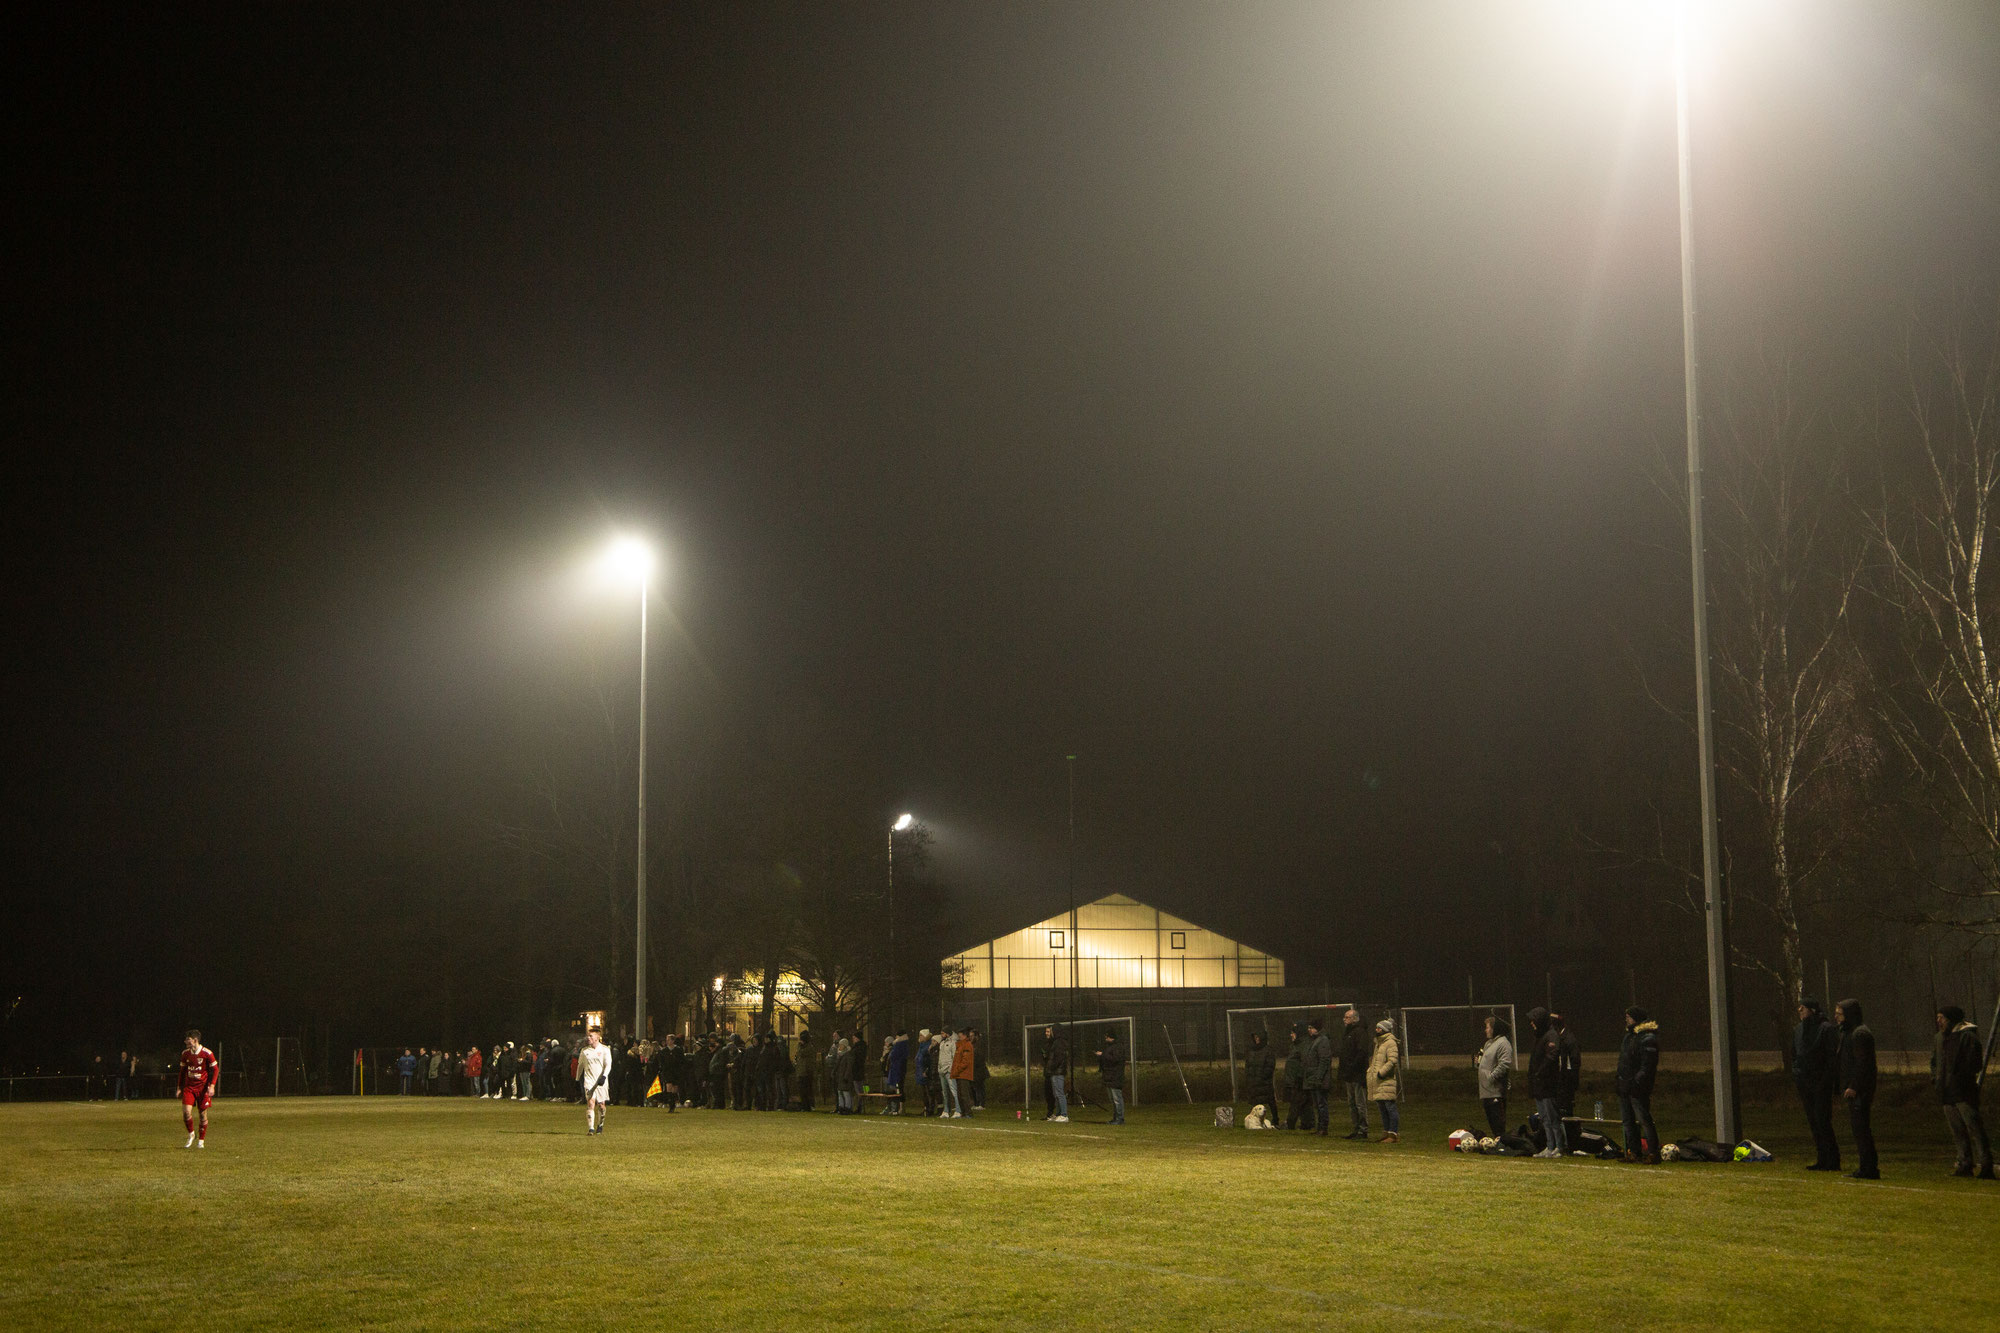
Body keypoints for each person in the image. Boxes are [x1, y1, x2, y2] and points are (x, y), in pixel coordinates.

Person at [1934, 1006, 1994, 1179]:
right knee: (1957, 1130)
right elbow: (1936, 1061)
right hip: (1947, 1092)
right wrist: (1937, 1079)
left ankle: (1986, 1165)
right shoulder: (1941, 1038)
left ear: (1951, 1019)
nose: (1939, 1021)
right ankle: (1964, 1164)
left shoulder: (1967, 1036)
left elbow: (1974, 1063)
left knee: (1974, 1128)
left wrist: (1960, 1078)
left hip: (1963, 1091)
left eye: (1942, 1018)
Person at [1793, 998, 1841, 1171]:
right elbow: (1796, 1055)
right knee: (1814, 1122)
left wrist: (1826, 1081)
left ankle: (1832, 1159)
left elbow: (1831, 1059)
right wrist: (1797, 1074)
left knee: (1823, 1121)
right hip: (1805, 1083)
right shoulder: (1799, 1030)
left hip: (1821, 1083)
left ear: (1812, 1010)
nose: (1799, 1010)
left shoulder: (1826, 1029)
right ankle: (1822, 1158)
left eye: (1803, 1008)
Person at [1835, 998, 1878, 1180]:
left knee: (1861, 1128)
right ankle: (1865, 1166)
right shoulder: (1850, 1032)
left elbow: (1863, 1064)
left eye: (1839, 1013)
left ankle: (1869, 1168)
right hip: (1856, 1088)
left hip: (1861, 1090)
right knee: (1858, 1129)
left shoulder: (1859, 1034)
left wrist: (1853, 1086)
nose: (1836, 1017)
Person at [1615, 1006, 1660, 1164]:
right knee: (1628, 1121)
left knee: (1644, 1120)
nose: (1626, 1019)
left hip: (1637, 1087)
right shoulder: (1630, 1036)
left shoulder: (1647, 1037)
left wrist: (1636, 1082)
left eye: (1629, 1017)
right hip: (1626, 1085)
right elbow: (1624, 1061)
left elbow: (1647, 1065)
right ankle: (1634, 1152)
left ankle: (1653, 1152)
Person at [1526, 1007, 1567, 1159]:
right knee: (1544, 1118)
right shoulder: (1540, 1036)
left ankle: (1559, 1147)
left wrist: (1540, 1073)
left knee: (1552, 1117)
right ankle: (1550, 1146)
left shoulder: (1551, 1035)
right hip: (1539, 1085)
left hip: (1547, 1084)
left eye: (1533, 1020)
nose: (1531, 1024)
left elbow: (1552, 1056)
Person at [178, 1029, 220, 1149]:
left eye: (188, 1039)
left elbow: (216, 1069)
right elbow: (182, 1072)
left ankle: (201, 1140)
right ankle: (191, 1134)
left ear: (195, 1040)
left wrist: (212, 1086)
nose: (186, 1041)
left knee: (202, 1116)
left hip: (202, 1089)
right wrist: (179, 1087)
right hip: (189, 1088)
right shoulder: (185, 1054)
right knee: (186, 1113)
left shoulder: (207, 1053)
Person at [1476, 1016, 1513, 1137]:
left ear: (1494, 1028)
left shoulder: (1503, 1043)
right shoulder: (1489, 1043)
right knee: (1492, 1122)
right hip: (1486, 1091)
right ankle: (1498, 1142)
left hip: (1495, 1091)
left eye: (1487, 1027)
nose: (1486, 1030)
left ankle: (1502, 1143)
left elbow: (1504, 1064)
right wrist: (1478, 1063)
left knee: (1498, 1123)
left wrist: (1491, 1078)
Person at [1338, 1009, 1371, 1139]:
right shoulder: (1348, 1033)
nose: (1344, 1019)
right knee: (1352, 1103)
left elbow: (1361, 1052)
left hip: (1357, 1074)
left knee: (1359, 1103)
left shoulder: (1360, 1032)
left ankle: (1363, 1129)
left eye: (1347, 1017)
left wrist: (1352, 1066)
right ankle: (1356, 1128)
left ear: (1354, 1019)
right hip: (1349, 1074)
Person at [1367, 1018, 1400, 1143]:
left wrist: (1381, 1072)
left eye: (1379, 1028)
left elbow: (1392, 1060)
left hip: (1386, 1080)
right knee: (1382, 1108)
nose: (1376, 1030)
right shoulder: (1379, 1043)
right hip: (1378, 1081)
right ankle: (1386, 1132)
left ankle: (1393, 1134)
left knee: (1390, 1107)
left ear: (1385, 1029)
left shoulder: (1390, 1042)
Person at [576, 1027, 614, 1135]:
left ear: (597, 1037)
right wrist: (577, 1078)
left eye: (591, 1036)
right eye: (588, 1036)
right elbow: (580, 1065)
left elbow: (608, 1065)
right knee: (591, 1102)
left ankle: (600, 1124)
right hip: (589, 1080)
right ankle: (591, 1128)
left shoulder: (605, 1049)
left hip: (601, 1081)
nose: (588, 1038)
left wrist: (604, 1076)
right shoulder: (585, 1051)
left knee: (601, 1105)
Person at [1302, 1017, 1333, 1136]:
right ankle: (1320, 1127)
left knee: (1321, 1104)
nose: (1309, 1030)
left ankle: (1323, 1128)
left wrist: (1318, 1077)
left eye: (1311, 1028)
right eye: (1309, 1028)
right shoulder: (1316, 1040)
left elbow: (1324, 1060)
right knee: (1317, 1104)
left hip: (1319, 1079)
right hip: (1314, 1078)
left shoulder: (1322, 1040)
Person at [1552, 1011, 1581, 1121]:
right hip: (1561, 1080)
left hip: (1566, 1081)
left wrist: (1572, 1083)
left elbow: (1574, 1063)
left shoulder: (1568, 1039)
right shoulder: (1561, 1038)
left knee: (1565, 1110)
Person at [1243, 1031, 1278, 1118]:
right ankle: (1255, 1119)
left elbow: (1270, 1066)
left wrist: (1263, 1076)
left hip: (1264, 1082)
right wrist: (1249, 1076)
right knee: (1255, 1102)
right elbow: (1248, 1064)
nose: (1257, 1039)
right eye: (1255, 1037)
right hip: (1253, 1081)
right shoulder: (1251, 1050)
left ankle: (1275, 1119)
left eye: (1258, 1037)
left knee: (1270, 1101)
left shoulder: (1268, 1050)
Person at [1282, 1025, 1309, 1131]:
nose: (1291, 1035)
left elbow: (1304, 1063)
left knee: (1296, 1102)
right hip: (1294, 1079)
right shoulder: (1295, 1045)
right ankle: (1306, 1123)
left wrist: (1299, 1076)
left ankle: (1290, 1123)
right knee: (1302, 1103)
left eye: (1293, 1032)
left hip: (1299, 1079)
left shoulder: (1303, 1045)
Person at [1041, 1025, 1070, 1123]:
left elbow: (1058, 1058)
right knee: (1056, 1094)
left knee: (1060, 1093)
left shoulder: (1059, 1042)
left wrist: (1052, 1066)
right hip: (1054, 1071)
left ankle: (1064, 1114)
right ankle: (1058, 1114)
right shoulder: (1056, 1042)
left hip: (1058, 1071)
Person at [1098, 1030, 1127, 1125]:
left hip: (1115, 1076)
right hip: (1110, 1076)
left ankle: (1120, 1118)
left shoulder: (1117, 1047)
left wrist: (1103, 1055)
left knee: (1117, 1099)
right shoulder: (1110, 1047)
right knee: (1113, 1100)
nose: (1105, 1039)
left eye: (1107, 1037)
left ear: (1112, 1037)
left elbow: (1115, 1059)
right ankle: (1116, 1118)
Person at [950, 1027, 977, 1118]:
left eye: (960, 1036)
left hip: (964, 1074)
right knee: (960, 1095)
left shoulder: (967, 1045)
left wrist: (957, 1070)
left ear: (964, 1035)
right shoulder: (960, 1045)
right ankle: (964, 1113)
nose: (958, 1037)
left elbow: (965, 1061)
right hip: (959, 1073)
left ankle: (968, 1113)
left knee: (964, 1095)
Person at [885, 1031, 909, 1114]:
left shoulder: (899, 1045)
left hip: (897, 1070)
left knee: (898, 1089)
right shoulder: (904, 1045)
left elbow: (893, 1056)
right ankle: (899, 1108)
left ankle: (898, 1108)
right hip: (900, 1069)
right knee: (899, 1088)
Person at [938, 1028, 961, 1117]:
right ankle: (946, 1110)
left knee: (954, 1091)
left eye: (942, 1033)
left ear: (947, 1034)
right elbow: (940, 1057)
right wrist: (939, 1068)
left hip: (948, 1071)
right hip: (942, 1071)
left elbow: (954, 1057)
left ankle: (958, 1110)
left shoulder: (953, 1043)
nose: (941, 1035)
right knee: (944, 1092)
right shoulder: (942, 1043)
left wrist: (950, 1069)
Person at [971, 1028, 990, 1109]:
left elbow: (979, 1057)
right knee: (974, 1087)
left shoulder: (980, 1045)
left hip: (979, 1070)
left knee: (980, 1087)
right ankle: (976, 1103)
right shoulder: (973, 1045)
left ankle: (981, 1104)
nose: (970, 1037)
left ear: (976, 1036)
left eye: (972, 1036)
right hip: (974, 1069)